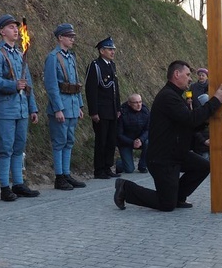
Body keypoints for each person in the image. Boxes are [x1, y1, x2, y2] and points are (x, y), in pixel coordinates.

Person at [113, 61, 222, 211]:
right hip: (162, 158)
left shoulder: (175, 95)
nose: (190, 78)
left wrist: (205, 120)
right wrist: (215, 101)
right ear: (176, 74)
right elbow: (190, 119)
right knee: (166, 205)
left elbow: (187, 123)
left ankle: (178, 197)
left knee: (203, 166)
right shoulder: (168, 97)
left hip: (176, 153)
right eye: (187, 75)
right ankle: (126, 189)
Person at [0, 14, 40, 201]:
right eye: (10, 27)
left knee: (19, 147)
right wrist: (13, 85)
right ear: (2, 31)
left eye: (16, 27)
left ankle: (18, 183)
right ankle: (4, 187)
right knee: (5, 148)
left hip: (21, 108)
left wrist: (33, 108)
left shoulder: (19, 53)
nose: (15, 30)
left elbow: (28, 83)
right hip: (4, 109)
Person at [43, 23, 86, 191]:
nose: (72, 39)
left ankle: (66, 174)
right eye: (69, 37)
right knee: (59, 142)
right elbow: (52, 85)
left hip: (73, 105)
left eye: (73, 37)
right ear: (60, 37)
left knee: (69, 141)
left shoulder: (71, 57)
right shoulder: (53, 57)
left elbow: (76, 83)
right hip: (61, 105)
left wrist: (80, 105)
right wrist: (58, 108)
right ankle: (59, 176)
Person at [85, 37, 121, 179]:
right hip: (101, 110)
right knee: (102, 140)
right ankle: (99, 169)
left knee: (111, 140)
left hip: (112, 110)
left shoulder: (112, 65)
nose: (112, 52)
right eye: (109, 49)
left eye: (113, 49)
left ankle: (107, 166)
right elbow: (91, 89)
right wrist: (93, 111)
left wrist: (118, 108)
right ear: (101, 51)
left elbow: (115, 89)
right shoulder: (95, 65)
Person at [116, 93, 149, 173]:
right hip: (125, 142)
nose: (139, 105)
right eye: (136, 102)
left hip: (140, 140)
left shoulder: (145, 111)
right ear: (129, 103)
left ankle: (143, 165)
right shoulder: (122, 113)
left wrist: (140, 139)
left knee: (149, 142)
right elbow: (119, 134)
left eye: (140, 102)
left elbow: (148, 129)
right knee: (129, 170)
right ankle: (120, 163)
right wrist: (132, 142)